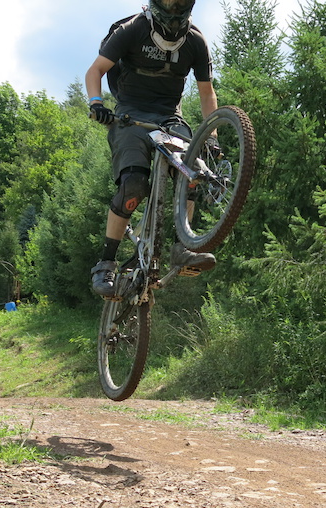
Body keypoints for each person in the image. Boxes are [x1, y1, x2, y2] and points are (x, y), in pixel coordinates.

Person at [85, 0, 217, 297]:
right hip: (130, 115)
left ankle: (183, 248)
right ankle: (106, 263)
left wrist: (213, 137)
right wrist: (96, 103)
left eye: (179, 3)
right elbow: (95, 71)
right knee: (133, 186)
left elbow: (207, 92)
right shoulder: (132, 29)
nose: (173, 8)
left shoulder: (195, 40)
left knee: (191, 173)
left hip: (170, 118)